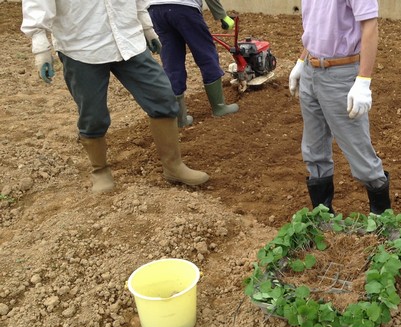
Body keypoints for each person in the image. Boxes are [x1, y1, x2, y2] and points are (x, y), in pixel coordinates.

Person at [21, 0, 210, 194]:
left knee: (162, 96)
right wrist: (41, 48)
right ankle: (100, 170)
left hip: (128, 40)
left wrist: (146, 28)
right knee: (93, 114)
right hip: (81, 47)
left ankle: (173, 166)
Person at [288, 0, 391, 215]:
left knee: (357, 147)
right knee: (313, 148)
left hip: (340, 73)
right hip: (310, 70)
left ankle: (382, 219)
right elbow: (317, 26)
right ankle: (323, 214)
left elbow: (369, 26)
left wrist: (363, 80)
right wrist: (301, 60)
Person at [147, 0, 238, 128]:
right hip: (184, 9)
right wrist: (222, 16)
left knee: (171, 61)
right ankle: (219, 107)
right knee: (205, 54)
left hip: (155, 11)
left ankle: (180, 118)